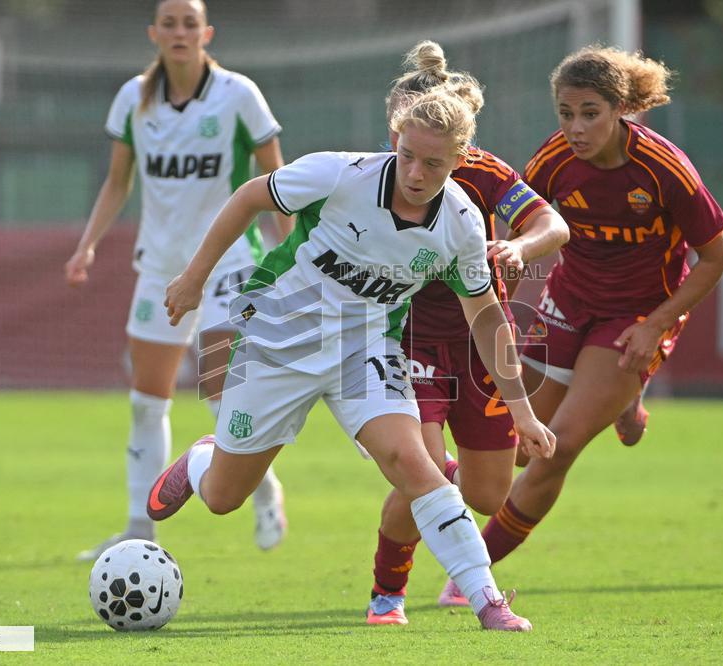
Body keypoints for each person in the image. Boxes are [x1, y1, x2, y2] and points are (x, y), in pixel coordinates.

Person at [147, 85, 557, 631]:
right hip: (276, 336)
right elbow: (249, 195)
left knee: (416, 466)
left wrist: (523, 413)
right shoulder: (341, 175)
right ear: (395, 140)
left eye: (433, 163)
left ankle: (487, 599)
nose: (414, 172)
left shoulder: (461, 222)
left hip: (366, 348)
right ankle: (203, 458)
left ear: (460, 161)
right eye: (407, 154)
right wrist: (195, 278)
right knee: (223, 497)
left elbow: (487, 317)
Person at [439, 46, 723, 596]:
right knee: (517, 448)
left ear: (621, 109)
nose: (576, 127)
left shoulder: (664, 169)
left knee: (558, 447)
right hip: (567, 301)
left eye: (590, 113)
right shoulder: (553, 159)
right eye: (566, 113)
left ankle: (471, 576)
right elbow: (523, 217)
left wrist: (656, 326)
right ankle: (624, 397)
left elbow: (716, 258)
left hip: (635, 317)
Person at [65, 0, 293, 560]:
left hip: (229, 268)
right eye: (169, 23)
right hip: (159, 271)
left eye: (190, 22)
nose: (180, 32)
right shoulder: (132, 99)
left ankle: (264, 491)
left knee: (221, 402)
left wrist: (291, 253)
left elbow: (279, 181)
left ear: (206, 32)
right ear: (154, 34)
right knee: (146, 403)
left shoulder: (239, 94)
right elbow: (118, 182)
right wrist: (87, 244)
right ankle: (139, 530)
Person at [364, 41, 570, 626]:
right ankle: (387, 594)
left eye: (432, 154)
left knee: (487, 496)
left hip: (482, 342)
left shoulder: (483, 173)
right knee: (420, 473)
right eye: (401, 139)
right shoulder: (372, 173)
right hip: (408, 342)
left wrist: (518, 245)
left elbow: (552, 225)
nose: (413, 165)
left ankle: (448, 478)